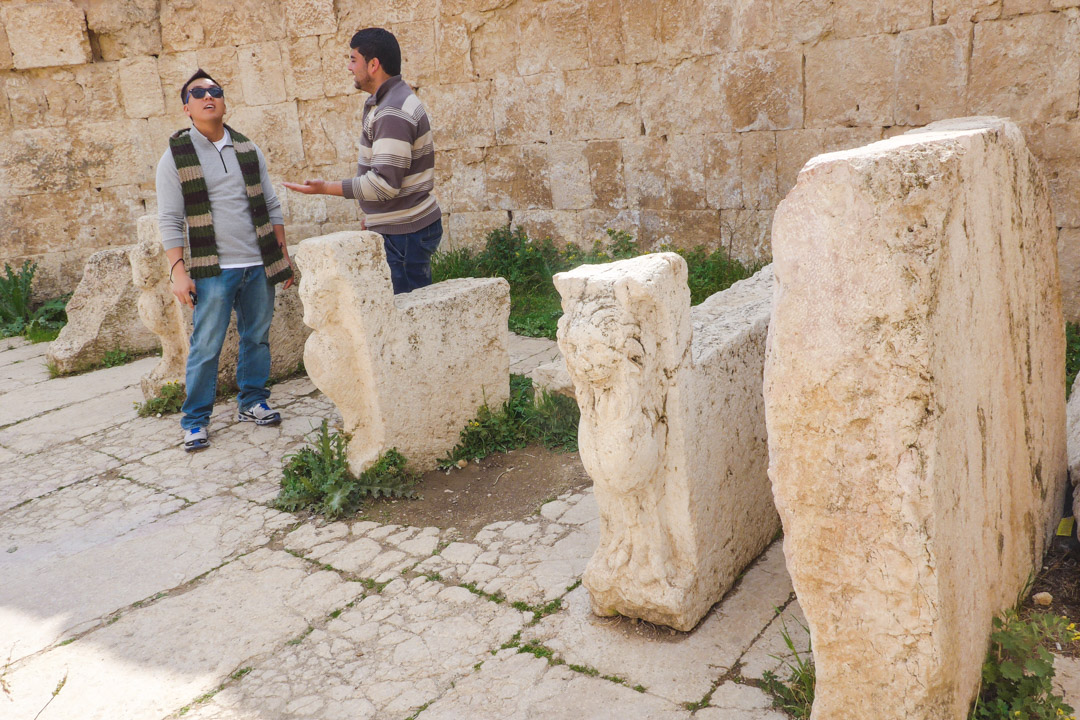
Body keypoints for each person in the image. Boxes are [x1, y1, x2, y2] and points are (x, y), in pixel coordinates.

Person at [156, 68, 295, 452]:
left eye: (214, 90)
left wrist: (281, 255)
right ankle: (195, 420)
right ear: (187, 108)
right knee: (206, 345)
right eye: (198, 93)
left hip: (257, 262)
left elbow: (270, 203)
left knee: (256, 337)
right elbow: (169, 219)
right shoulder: (175, 157)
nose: (207, 96)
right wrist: (178, 271)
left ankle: (252, 402)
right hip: (212, 269)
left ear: (223, 101)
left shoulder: (248, 149)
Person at [284, 27, 442, 294]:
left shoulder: (391, 111)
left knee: (406, 320)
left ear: (373, 64)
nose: (349, 67)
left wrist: (324, 188)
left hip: (404, 236)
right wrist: (373, 216)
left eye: (353, 59)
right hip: (401, 231)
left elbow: (383, 185)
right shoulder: (386, 102)